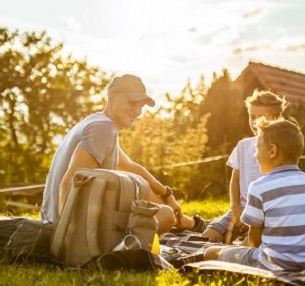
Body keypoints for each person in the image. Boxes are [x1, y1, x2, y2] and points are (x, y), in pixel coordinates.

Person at [40, 74, 202, 234]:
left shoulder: (97, 124)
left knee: (150, 197)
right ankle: (183, 223)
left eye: (141, 106)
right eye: (132, 103)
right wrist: (66, 238)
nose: (137, 111)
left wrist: (167, 195)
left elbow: (131, 167)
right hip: (70, 227)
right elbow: (68, 183)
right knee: (165, 215)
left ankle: (186, 223)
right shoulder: (103, 129)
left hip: (57, 219)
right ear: (112, 99)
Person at [203, 117, 305, 273]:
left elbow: (254, 242)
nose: (255, 156)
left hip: (271, 264)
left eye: (257, 149)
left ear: (272, 150)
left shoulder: (259, 187)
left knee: (210, 252)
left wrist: (242, 249)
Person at [202, 90, 287, 243]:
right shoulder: (243, 146)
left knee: (249, 244)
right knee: (208, 236)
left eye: (261, 117)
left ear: (276, 118)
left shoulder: (282, 150)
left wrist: (255, 219)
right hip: (239, 210)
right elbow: (234, 180)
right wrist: (235, 208)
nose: (255, 122)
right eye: (252, 116)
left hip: (265, 215)